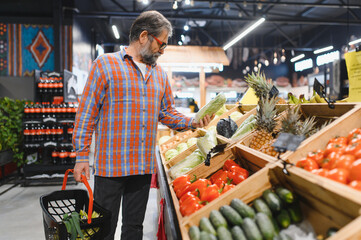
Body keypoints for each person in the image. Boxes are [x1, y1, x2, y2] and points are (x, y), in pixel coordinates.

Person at [72, 10, 214, 240]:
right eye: (161, 44)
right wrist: (81, 156)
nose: (162, 50)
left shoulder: (159, 75)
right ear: (144, 36)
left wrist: (193, 122)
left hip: (142, 167)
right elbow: (86, 114)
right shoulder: (105, 65)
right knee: (103, 229)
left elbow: (166, 113)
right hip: (111, 167)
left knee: (134, 228)